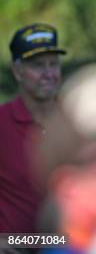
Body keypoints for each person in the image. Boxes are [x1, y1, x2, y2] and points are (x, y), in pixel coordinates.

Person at [0, 23, 66, 233]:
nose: (48, 74)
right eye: (38, 65)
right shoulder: (2, 121)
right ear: (17, 71)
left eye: (53, 64)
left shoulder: (78, 120)